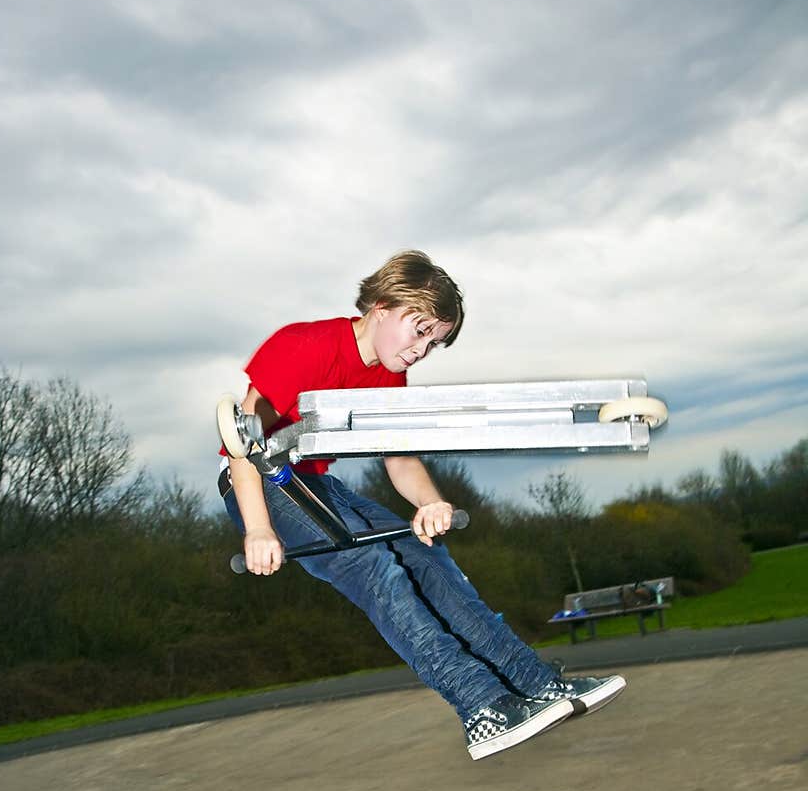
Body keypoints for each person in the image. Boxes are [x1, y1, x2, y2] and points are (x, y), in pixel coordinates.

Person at [221, 250, 625, 759]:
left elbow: (401, 459)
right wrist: (258, 529)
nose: (421, 350)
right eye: (418, 331)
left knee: (425, 555)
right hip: (260, 486)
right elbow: (241, 443)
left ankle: (534, 682)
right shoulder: (302, 345)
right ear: (382, 306)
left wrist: (431, 503)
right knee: (371, 566)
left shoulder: (389, 376)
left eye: (434, 342)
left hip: (318, 484)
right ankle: (480, 706)